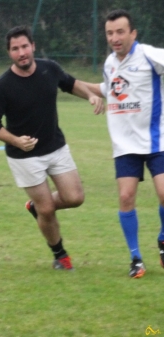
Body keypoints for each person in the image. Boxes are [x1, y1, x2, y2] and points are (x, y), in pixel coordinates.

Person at [0, 26, 104, 271]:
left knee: (75, 198)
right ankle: (60, 255)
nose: (21, 53)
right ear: (9, 53)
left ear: (33, 46)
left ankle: (34, 207)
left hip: (55, 147)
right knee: (47, 209)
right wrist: (15, 140)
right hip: (24, 156)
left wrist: (90, 95)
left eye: (24, 46)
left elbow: (71, 84)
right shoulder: (3, 85)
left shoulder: (50, 68)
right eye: (15, 49)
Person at [83, 9, 164, 279]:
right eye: (109, 33)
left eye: (120, 32)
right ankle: (136, 259)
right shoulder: (109, 63)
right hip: (125, 146)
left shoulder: (150, 56)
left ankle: (163, 239)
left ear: (133, 33)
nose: (115, 38)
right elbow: (108, 88)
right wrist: (71, 84)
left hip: (156, 141)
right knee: (126, 197)